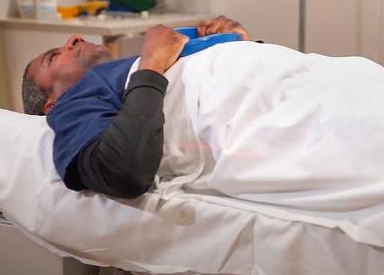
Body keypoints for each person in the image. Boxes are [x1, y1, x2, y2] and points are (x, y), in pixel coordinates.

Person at [21, 15, 251, 199]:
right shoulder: (73, 105)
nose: (73, 38)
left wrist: (240, 47)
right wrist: (152, 63)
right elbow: (121, 173)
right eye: (53, 57)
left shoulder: (130, 76)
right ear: (52, 105)